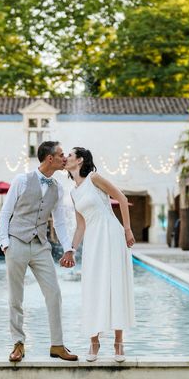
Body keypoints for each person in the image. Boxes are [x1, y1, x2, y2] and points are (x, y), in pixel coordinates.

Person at [0, 141, 78, 363]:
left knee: (54, 293)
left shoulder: (58, 187)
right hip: (16, 243)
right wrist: (5, 243)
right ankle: (18, 344)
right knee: (16, 297)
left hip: (41, 245)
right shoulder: (21, 180)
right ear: (49, 158)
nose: (65, 158)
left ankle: (57, 345)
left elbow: (60, 222)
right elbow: (5, 214)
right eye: (61, 155)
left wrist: (68, 248)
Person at [61, 147, 136, 362]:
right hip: (93, 240)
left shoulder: (94, 178)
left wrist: (128, 229)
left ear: (80, 160)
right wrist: (71, 250)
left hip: (112, 234)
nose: (66, 158)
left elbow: (121, 198)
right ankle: (94, 341)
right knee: (93, 287)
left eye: (70, 155)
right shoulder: (74, 193)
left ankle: (119, 343)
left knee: (115, 284)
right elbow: (80, 226)